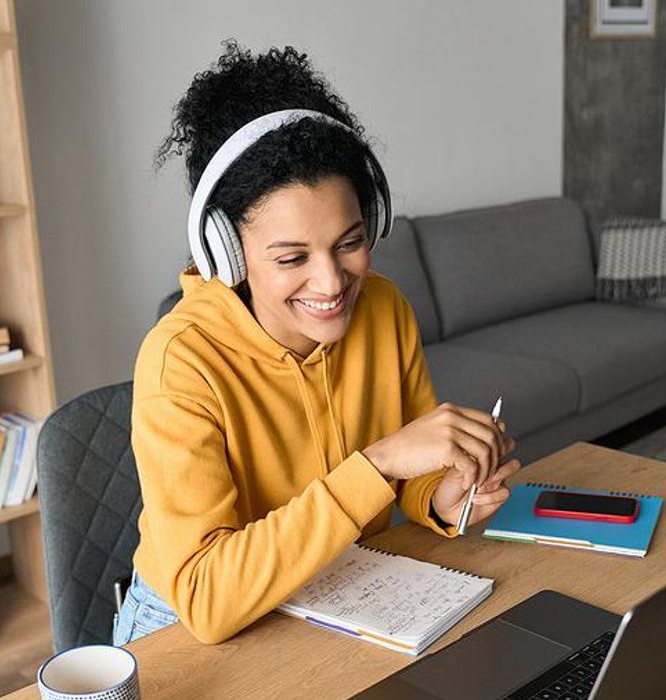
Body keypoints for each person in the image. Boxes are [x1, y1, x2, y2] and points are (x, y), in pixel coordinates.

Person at [115, 42, 520, 647]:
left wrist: (443, 494)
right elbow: (206, 596)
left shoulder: (384, 308)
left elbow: (410, 480)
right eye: (291, 258)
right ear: (227, 255)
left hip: (341, 588)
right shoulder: (182, 362)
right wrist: (378, 463)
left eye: (350, 242)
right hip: (189, 627)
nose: (332, 283)